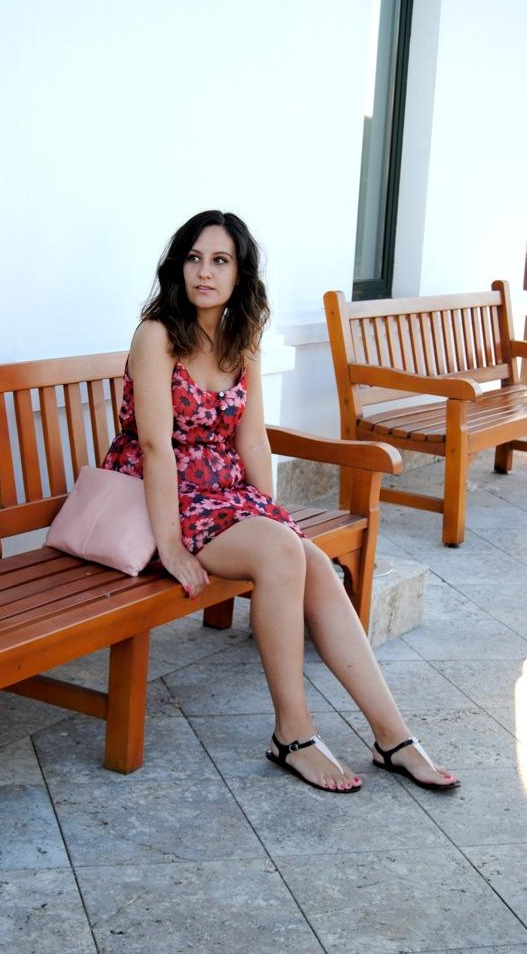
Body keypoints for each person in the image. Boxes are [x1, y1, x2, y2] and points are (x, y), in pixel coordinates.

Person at [104, 210, 459, 794]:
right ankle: (292, 734)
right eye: (194, 258)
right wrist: (168, 541)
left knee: (310, 561)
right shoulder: (157, 335)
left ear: (241, 274)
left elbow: (252, 436)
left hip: (222, 494)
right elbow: (153, 446)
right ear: (178, 266)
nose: (204, 273)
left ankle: (392, 735)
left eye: (220, 261)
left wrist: (274, 517)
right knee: (280, 553)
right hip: (165, 495)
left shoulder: (242, 338)